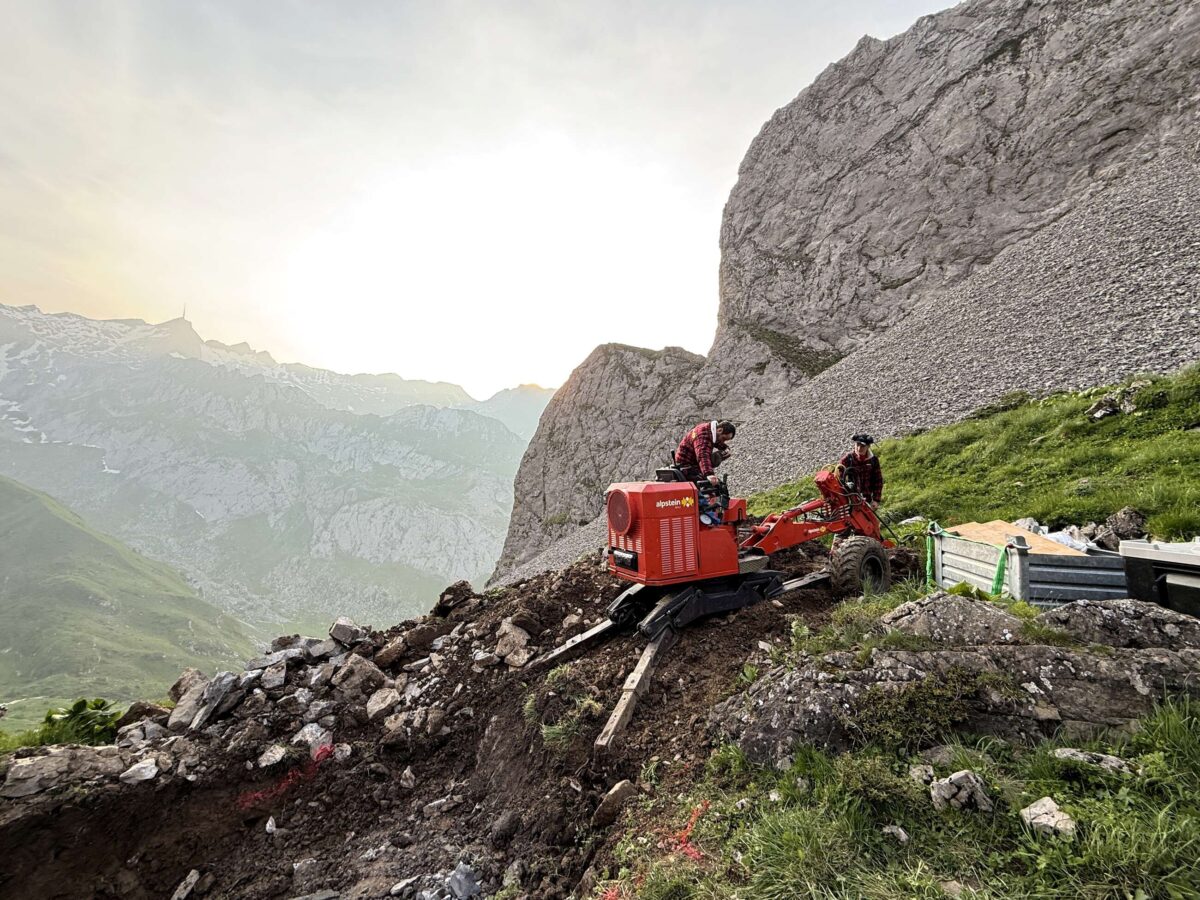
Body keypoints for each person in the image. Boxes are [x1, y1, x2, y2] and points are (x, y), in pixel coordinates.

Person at [675, 420, 736, 486]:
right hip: (686, 466)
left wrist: (725, 448)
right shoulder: (703, 436)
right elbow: (703, 455)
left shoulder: (709, 430)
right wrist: (709, 474)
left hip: (692, 462)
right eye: (723, 438)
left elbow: (716, 440)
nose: (723, 441)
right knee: (708, 487)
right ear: (720, 430)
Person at [837, 433, 883, 505]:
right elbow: (838, 478)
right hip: (851, 500)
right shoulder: (847, 459)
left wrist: (876, 500)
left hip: (868, 500)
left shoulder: (873, 460)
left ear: (868, 446)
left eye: (862, 446)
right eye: (857, 445)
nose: (859, 448)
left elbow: (878, 480)